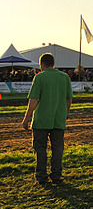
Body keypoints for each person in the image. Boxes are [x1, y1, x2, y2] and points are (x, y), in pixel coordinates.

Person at [22, 53, 73, 185]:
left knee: (40, 148)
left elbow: (34, 100)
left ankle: (41, 176)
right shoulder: (64, 77)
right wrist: (66, 112)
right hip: (58, 119)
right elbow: (69, 99)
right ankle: (56, 175)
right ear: (53, 63)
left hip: (41, 120)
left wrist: (26, 118)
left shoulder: (39, 77)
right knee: (57, 149)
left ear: (42, 64)